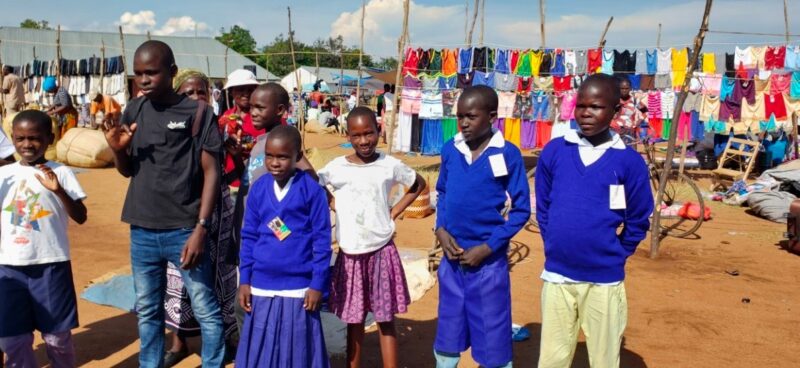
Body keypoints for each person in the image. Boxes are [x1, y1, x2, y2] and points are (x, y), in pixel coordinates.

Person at [102, 40, 226, 367]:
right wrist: (117, 149)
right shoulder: (133, 110)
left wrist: (201, 228)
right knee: (148, 310)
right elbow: (128, 170)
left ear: (171, 72)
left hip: (184, 229)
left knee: (204, 306)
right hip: (142, 228)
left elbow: (212, 172)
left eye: (152, 73)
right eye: (139, 73)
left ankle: (212, 363)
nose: (144, 80)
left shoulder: (199, 113)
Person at [535, 74, 653, 368]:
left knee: (603, 359)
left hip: (604, 280)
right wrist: (554, 242)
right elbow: (545, 206)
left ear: (615, 111)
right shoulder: (555, 151)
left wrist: (616, 253)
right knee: (552, 358)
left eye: (596, 107)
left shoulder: (628, 162)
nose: (586, 113)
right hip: (558, 276)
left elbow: (638, 219)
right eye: (581, 105)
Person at [318, 107, 426, 368]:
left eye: (369, 133)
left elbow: (419, 184)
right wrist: (333, 203)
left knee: (385, 318)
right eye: (356, 135)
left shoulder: (389, 165)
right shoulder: (336, 168)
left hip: (381, 251)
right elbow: (315, 185)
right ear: (348, 135)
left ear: (379, 131)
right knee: (354, 320)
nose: (364, 140)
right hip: (351, 255)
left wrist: (394, 212)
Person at [433, 85, 530, 368]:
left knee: (493, 340)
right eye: (460, 116)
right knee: (448, 335)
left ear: (491, 116)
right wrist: (440, 229)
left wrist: (488, 247)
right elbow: (442, 192)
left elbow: (521, 209)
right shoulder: (451, 149)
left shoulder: (508, 154)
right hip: (452, 263)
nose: (463, 123)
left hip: (488, 266)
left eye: (471, 116)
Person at [160, 69, 239, 367]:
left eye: (201, 92)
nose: (196, 98)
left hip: (218, 212)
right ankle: (178, 342)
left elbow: (230, 175)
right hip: (181, 212)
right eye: (188, 93)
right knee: (179, 276)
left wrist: (236, 155)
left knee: (221, 275)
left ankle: (224, 338)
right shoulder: (170, 127)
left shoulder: (219, 127)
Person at [236, 125, 332, 367]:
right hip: (262, 285)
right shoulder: (258, 188)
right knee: (262, 348)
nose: (275, 163)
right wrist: (245, 279)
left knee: (297, 349)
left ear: (298, 157)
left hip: (298, 287)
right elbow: (248, 236)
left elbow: (322, 242)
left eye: (282, 157)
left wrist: (317, 284)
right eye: (270, 156)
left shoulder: (312, 191)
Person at [0, 110, 87, 368]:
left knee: (57, 338)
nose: (27, 145)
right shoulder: (4, 175)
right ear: (12, 139)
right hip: (9, 266)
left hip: (51, 264)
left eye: (35, 138)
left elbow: (81, 216)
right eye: (20, 138)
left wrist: (59, 190)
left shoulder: (61, 172)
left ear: (50, 138)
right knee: (12, 339)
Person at [219, 69, 262, 190]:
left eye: (250, 89)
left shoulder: (264, 118)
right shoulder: (225, 118)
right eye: (240, 89)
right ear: (231, 92)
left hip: (259, 182)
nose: (246, 93)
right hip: (232, 183)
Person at [610, 77, 647, 146]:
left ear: (630, 89)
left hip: (629, 132)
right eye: (622, 88)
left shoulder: (634, 101)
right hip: (614, 131)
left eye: (626, 88)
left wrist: (638, 122)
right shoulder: (614, 100)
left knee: (630, 153)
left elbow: (645, 112)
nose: (624, 91)